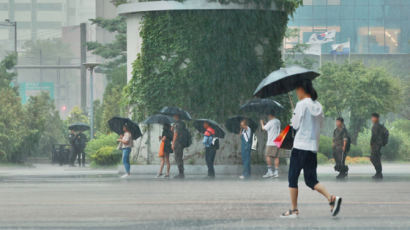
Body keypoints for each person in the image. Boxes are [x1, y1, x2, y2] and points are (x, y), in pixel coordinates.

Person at [281, 80, 342, 218]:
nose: (297, 93)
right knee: (311, 180)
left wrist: (294, 115)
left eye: (297, 90)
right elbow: (320, 125)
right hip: (312, 148)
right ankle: (331, 198)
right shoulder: (318, 105)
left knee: (292, 178)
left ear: (302, 89)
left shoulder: (301, 105)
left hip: (300, 146)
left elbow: (295, 125)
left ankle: (294, 210)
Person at [260, 110, 281, 178]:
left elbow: (264, 128)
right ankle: (276, 172)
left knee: (267, 155)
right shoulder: (278, 121)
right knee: (276, 157)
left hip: (271, 142)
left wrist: (262, 123)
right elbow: (272, 128)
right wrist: (266, 123)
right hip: (278, 141)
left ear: (270, 115)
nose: (268, 116)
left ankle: (270, 171)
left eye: (268, 115)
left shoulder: (271, 122)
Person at [370, 113, 386, 180]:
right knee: (376, 158)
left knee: (374, 158)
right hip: (378, 144)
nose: (372, 119)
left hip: (376, 145)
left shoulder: (376, 126)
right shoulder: (380, 126)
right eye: (372, 118)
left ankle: (379, 173)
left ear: (377, 118)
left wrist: (371, 143)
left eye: (373, 118)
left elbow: (374, 136)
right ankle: (378, 173)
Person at [172, 114, 186, 179]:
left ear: (176, 116)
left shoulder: (177, 124)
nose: (173, 117)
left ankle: (181, 173)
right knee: (179, 157)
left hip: (177, 143)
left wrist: (173, 143)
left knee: (178, 157)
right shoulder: (182, 123)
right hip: (181, 142)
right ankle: (181, 172)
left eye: (174, 116)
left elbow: (176, 134)